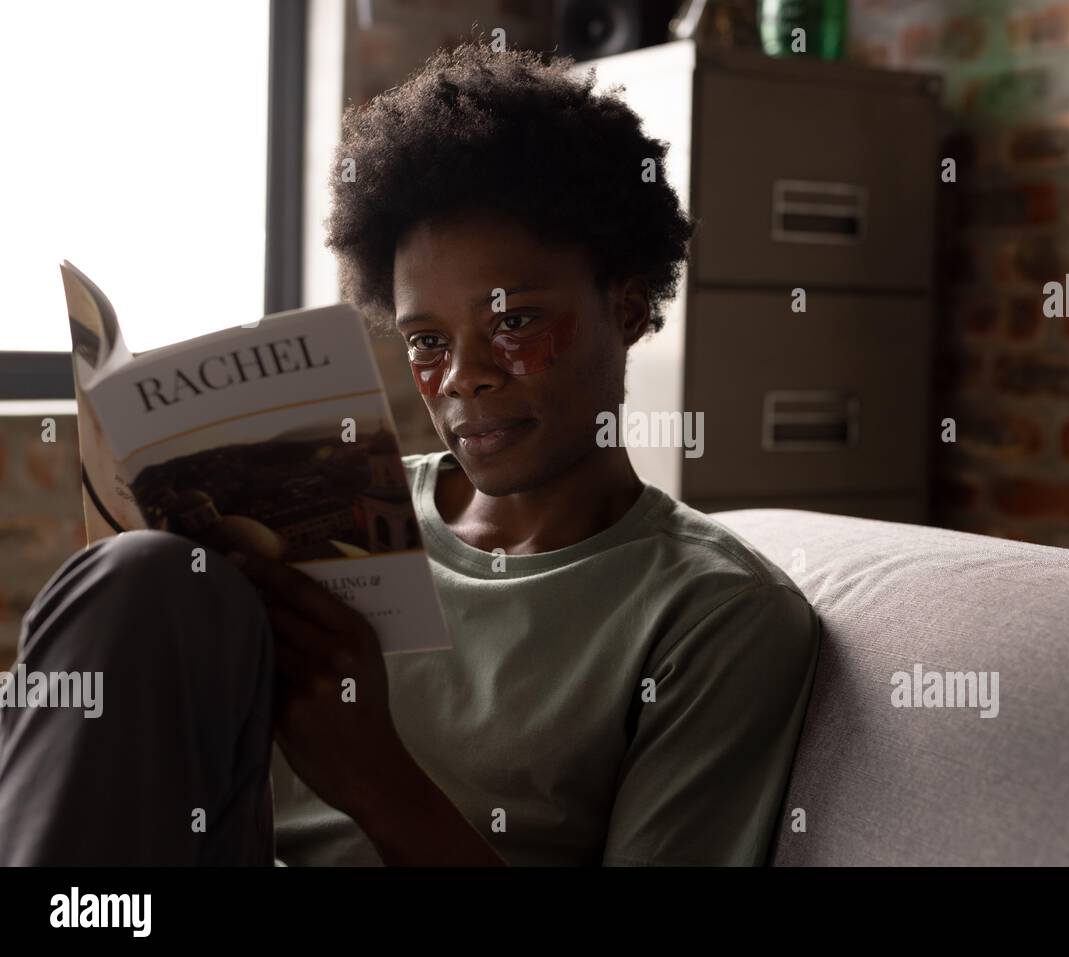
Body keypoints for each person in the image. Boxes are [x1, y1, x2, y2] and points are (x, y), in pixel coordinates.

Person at [0, 41, 820, 867]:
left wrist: (375, 777)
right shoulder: (359, 516)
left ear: (630, 307)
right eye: (427, 340)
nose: (464, 377)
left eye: (514, 322)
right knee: (141, 574)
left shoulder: (719, 619)